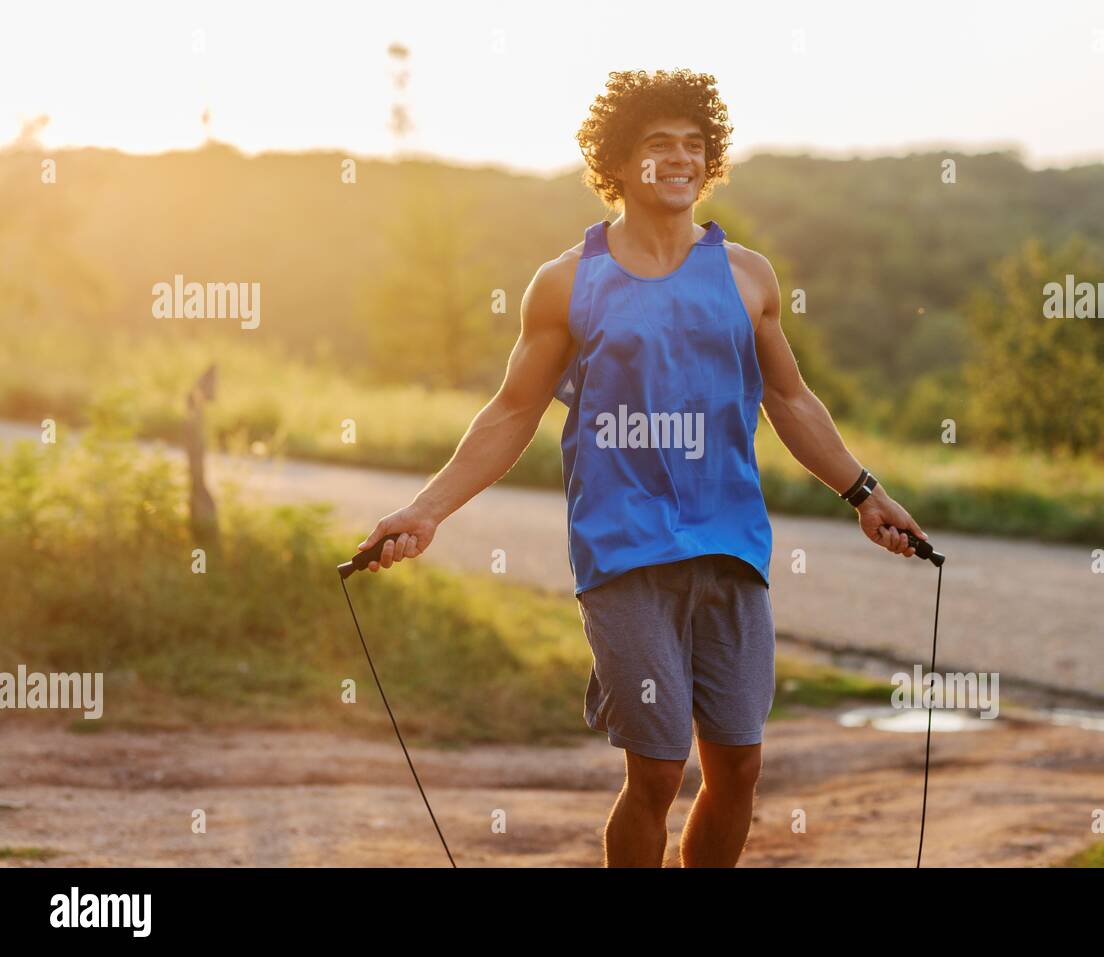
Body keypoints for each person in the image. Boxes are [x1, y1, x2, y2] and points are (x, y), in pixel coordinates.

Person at [357, 68, 927, 867]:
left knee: (739, 766)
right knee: (657, 769)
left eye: (695, 145)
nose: (681, 159)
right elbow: (512, 410)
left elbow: (792, 401)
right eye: (660, 145)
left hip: (731, 545)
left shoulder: (746, 276)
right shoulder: (566, 283)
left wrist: (867, 494)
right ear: (619, 163)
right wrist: (425, 509)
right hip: (623, 551)